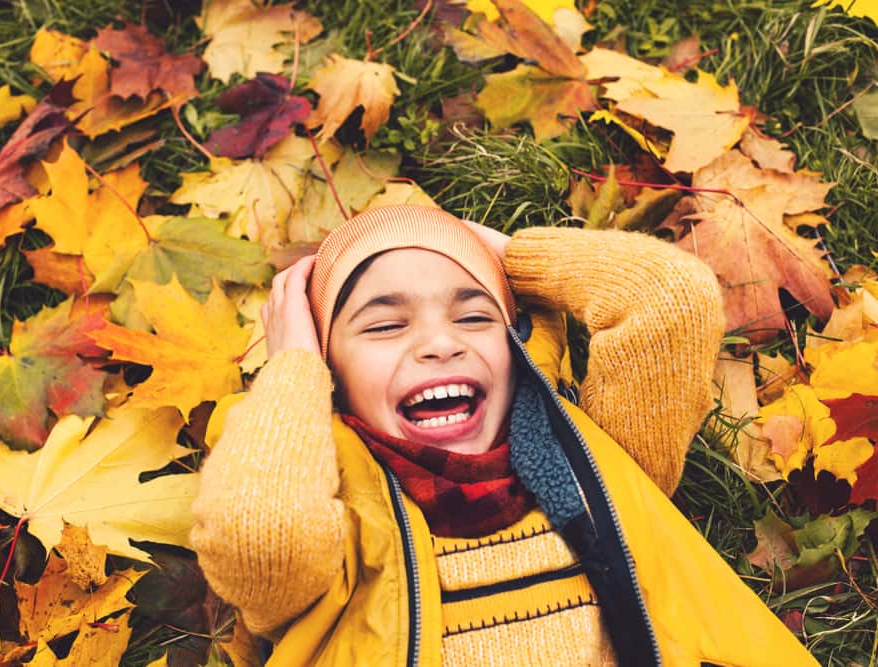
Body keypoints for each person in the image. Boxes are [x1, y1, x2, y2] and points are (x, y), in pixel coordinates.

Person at [190, 205, 818, 666]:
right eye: (384, 327)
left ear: (513, 344)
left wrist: (513, 257)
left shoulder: (596, 458)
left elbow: (670, 298)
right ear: (332, 376)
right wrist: (293, 367)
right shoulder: (334, 525)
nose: (441, 343)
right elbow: (258, 536)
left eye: (473, 314)